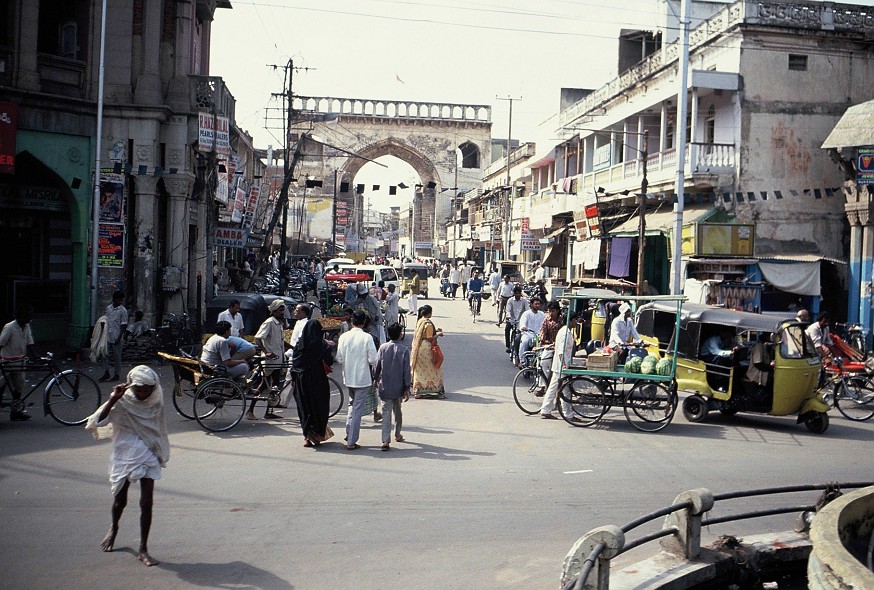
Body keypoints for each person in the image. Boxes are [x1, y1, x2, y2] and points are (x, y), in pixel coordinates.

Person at [86, 365, 169, 567]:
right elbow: (99, 421)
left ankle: (143, 548)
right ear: (132, 386)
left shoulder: (156, 399)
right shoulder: (122, 399)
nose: (142, 393)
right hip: (124, 454)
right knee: (119, 501)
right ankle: (114, 527)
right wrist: (113, 398)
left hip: (149, 453)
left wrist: (157, 449)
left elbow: (157, 427)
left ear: (153, 387)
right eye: (138, 389)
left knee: (147, 502)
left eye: (146, 389)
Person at [289, 303, 333, 447]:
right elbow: (330, 361)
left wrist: (294, 380)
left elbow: (294, 366)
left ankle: (307, 437)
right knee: (319, 406)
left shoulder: (298, 347)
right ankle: (318, 433)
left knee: (304, 407)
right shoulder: (322, 345)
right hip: (317, 380)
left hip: (301, 381)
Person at [336, 310, 378, 450]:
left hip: (348, 377)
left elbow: (339, 358)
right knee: (357, 409)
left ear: (352, 321)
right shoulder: (367, 338)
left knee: (352, 406)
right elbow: (373, 359)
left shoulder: (343, 337)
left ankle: (349, 434)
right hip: (362, 378)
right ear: (364, 322)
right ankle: (351, 440)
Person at [373, 322, 411, 451]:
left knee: (386, 412)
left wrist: (375, 378)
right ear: (400, 335)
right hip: (398, 387)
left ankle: (385, 440)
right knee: (398, 411)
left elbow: (377, 365)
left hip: (385, 386)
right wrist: (407, 388)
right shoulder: (404, 350)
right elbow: (407, 370)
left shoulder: (383, 348)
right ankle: (397, 434)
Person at [540, 311, 583, 420]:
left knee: (554, 388)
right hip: (561, 366)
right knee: (565, 390)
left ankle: (546, 410)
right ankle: (567, 414)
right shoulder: (564, 333)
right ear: (571, 320)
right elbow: (561, 351)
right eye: (575, 320)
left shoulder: (566, 331)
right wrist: (563, 363)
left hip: (561, 365)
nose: (576, 322)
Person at [0, 303, 37, 421]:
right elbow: (1, 343)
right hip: (6, 362)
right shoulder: (10, 327)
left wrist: (36, 356)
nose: (29, 319)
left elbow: (29, 342)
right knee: (1, 386)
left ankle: (15, 411)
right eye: (28, 317)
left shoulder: (26, 327)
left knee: (19, 386)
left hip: (20, 361)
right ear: (21, 317)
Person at [252, 299, 286, 420]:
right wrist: (266, 352)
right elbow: (258, 338)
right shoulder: (269, 322)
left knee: (274, 386)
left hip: (278, 359)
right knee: (263, 385)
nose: (283, 312)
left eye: (283, 310)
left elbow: (281, 342)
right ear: (274, 311)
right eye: (280, 310)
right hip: (270, 360)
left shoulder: (280, 323)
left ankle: (269, 411)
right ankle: (250, 410)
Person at [410, 305, 445, 399]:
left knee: (420, 370)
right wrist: (438, 334)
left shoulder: (420, 321)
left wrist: (435, 331)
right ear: (429, 313)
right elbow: (429, 338)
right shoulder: (428, 324)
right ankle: (435, 389)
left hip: (419, 347)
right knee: (433, 369)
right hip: (426, 348)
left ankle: (418, 390)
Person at [99, 291, 128, 383]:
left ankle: (116, 374)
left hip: (117, 336)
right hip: (107, 335)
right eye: (118, 299)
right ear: (114, 299)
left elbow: (124, 325)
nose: (120, 301)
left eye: (121, 299)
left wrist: (119, 337)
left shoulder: (123, 311)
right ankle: (106, 371)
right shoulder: (108, 308)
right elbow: (106, 319)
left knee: (117, 356)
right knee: (104, 354)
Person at [535, 301, 563, 392]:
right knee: (543, 362)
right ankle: (543, 386)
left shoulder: (563, 320)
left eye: (553, 311)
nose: (551, 313)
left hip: (560, 348)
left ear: (558, 311)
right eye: (549, 311)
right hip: (549, 346)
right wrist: (542, 340)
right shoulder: (547, 320)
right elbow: (542, 332)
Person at [699, 328, 737, 392]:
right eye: (726, 333)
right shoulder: (713, 340)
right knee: (717, 359)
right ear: (721, 333)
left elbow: (736, 345)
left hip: (716, 355)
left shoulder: (727, 339)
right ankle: (720, 381)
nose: (728, 335)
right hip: (706, 357)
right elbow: (717, 352)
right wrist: (731, 352)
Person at [517, 298, 545, 368]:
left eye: (538, 304)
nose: (537, 305)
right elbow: (523, 322)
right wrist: (523, 327)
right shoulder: (526, 313)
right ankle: (522, 360)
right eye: (536, 304)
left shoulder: (542, 314)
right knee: (524, 342)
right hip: (528, 334)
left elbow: (545, 324)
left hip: (538, 335)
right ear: (531, 304)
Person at [504, 286, 529, 363]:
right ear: (514, 293)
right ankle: (508, 346)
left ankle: (517, 351)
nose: (517, 295)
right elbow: (508, 309)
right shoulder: (510, 300)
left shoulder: (524, 301)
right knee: (507, 329)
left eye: (519, 293)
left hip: (521, 321)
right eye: (516, 293)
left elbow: (527, 310)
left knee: (519, 335)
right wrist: (508, 316)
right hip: (511, 319)